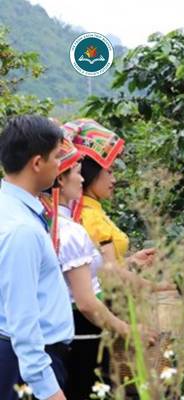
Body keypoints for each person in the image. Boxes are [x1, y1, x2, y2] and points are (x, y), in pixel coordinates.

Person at [41, 133, 159, 399]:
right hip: (86, 327)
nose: (81, 180)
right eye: (78, 172)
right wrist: (129, 329)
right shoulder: (72, 229)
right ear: (60, 178)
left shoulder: (50, 221)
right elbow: (85, 299)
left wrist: (129, 262)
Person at [0, 115, 73, 400]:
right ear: (37, 163)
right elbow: (23, 323)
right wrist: (49, 390)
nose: (60, 165)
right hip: (28, 366)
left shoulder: (12, 210)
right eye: (57, 156)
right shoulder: (21, 230)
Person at [63, 119, 156, 269]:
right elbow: (110, 277)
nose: (114, 180)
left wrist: (132, 261)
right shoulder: (89, 216)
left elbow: (102, 268)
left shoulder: (93, 210)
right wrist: (158, 288)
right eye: (109, 172)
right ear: (91, 173)